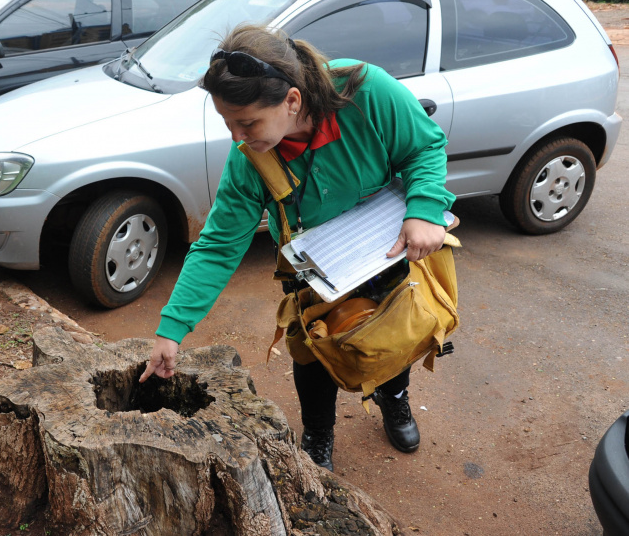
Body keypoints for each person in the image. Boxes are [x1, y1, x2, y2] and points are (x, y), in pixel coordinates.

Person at [138, 24, 456, 471]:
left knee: (396, 330)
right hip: (316, 271)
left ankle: (394, 396)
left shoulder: (368, 91)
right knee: (312, 354)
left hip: (384, 247)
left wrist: (423, 208)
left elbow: (424, 147)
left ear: (292, 100)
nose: (237, 138)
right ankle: (319, 432)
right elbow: (218, 245)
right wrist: (171, 330)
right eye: (229, 123)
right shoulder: (250, 158)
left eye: (247, 122)